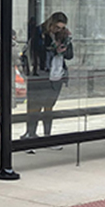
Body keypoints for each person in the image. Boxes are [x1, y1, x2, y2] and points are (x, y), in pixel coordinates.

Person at [20, 11, 73, 149]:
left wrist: (66, 44)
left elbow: (69, 55)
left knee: (49, 107)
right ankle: (31, 135)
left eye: (62, 28)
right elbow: (37, 52)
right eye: (57, 27)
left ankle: (47, 136)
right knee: (35, 106)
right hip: (40, 73)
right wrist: (54, 49)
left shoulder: (63, 35)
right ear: (51, 23)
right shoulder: (39, 33)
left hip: (57, 75)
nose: (58, 30)